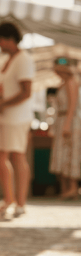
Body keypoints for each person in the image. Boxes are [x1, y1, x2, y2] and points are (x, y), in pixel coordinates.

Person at [0, 22, 35, 217]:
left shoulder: (24, 59)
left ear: (8, 39)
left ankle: (21, 203)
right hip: (5, 117)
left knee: (17, 156)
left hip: (17, 117)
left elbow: (26, 92)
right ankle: (9, 199)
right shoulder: (10, 60)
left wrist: (1, 104)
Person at [49, 57, 81, 199]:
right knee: (63, 153)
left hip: (69, 120)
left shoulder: (71, 82)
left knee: (70, 152)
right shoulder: (63, 83)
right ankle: (66, 188)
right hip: (62, 120)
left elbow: (73, 105)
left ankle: (73, 187)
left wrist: (67, 124)